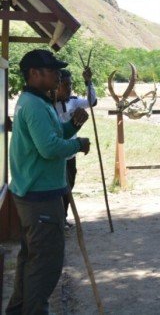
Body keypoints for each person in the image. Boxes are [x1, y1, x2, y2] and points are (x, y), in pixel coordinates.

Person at [6, 49, 91, 315]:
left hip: (35, 192)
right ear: (34, 73)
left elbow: (53, 135)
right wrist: (77, 143)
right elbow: (49, 148)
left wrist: (73, 127)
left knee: (31, 260)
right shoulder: (34, 104)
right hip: (40, 197)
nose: (58, 76)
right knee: (45, 265)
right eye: (52, 71)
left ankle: (19, 310)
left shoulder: (39, 102)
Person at [53, 67, 97, 229]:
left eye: (70, 84)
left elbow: (92, 102)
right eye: (65, 84)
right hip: (57, 154)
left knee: (69, 185)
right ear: (56, 85)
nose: (69, 87)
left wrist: (88, 82)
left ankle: (63, 218)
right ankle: (57, 220)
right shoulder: (49, 105)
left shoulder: (73, 101)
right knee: (59, 188)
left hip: (71, 153)